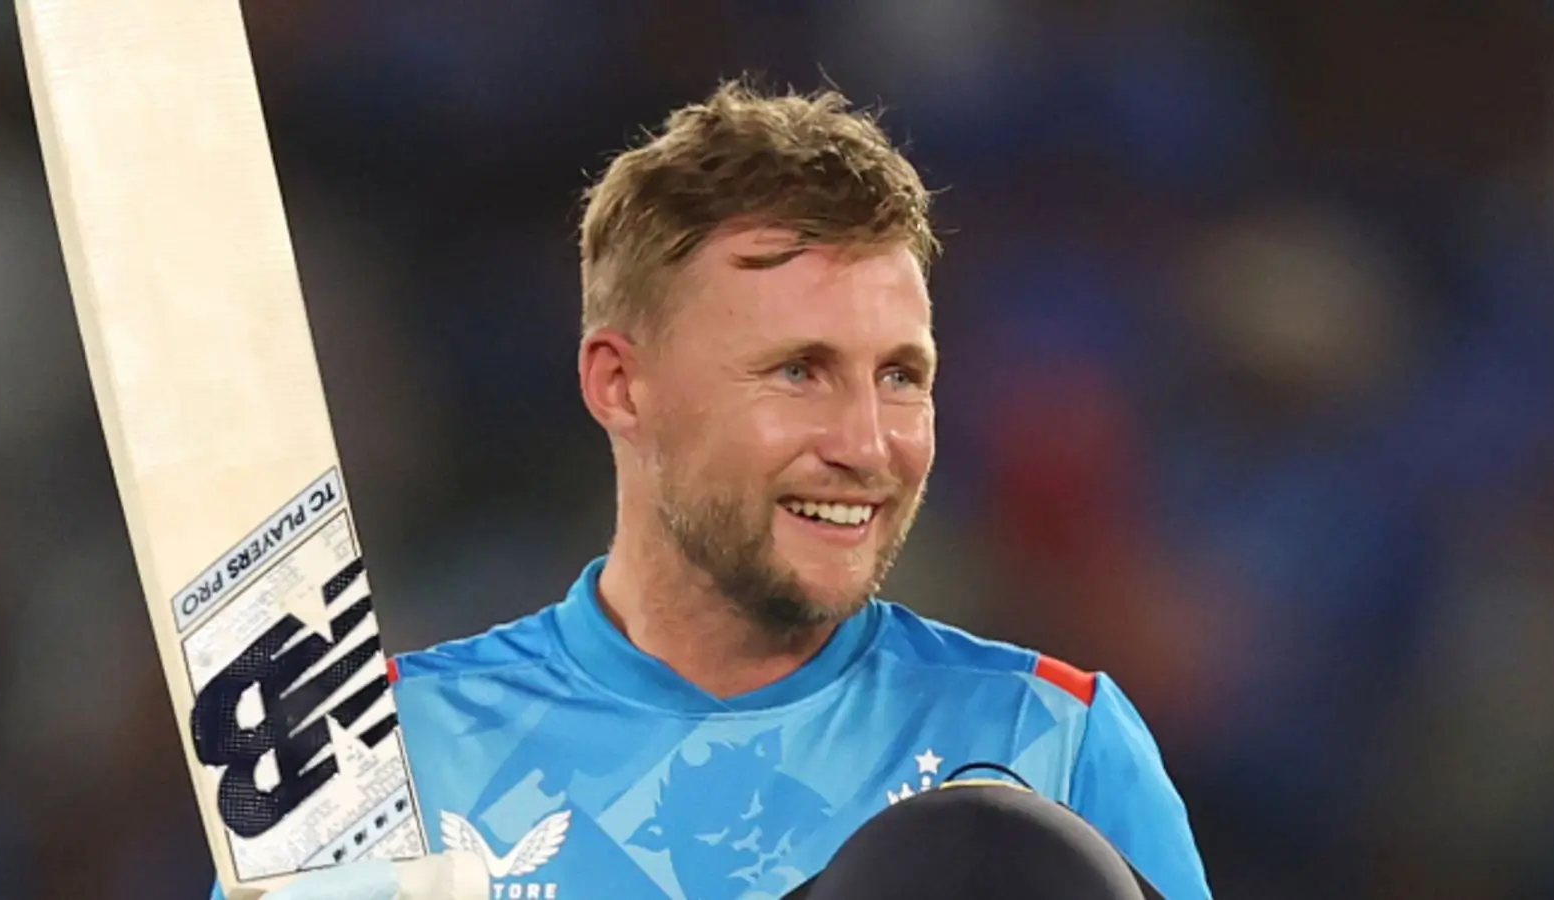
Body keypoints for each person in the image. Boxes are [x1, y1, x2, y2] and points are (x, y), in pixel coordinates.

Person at [217, 80, 1211, 900]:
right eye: (798, 371)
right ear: (620, 384)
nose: (867, 443)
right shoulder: (378, 762)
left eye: (901, 376)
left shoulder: (1050, 740)